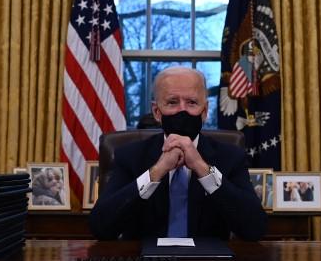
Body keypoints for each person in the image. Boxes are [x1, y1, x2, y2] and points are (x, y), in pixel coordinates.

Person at [89, 66, 266, 241]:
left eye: (192, 103)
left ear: (204, 112)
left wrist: (202, 167)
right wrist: (157, 171)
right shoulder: (130, 156)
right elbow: (101, 227)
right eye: (172, 102)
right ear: (157, 112)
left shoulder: (230, 157)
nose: (183, 110)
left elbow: (255, 228)